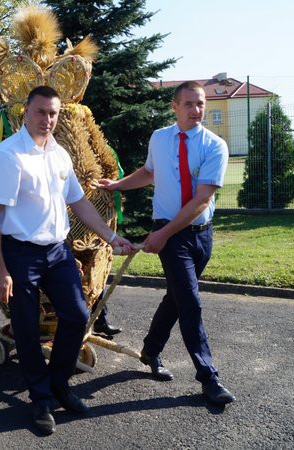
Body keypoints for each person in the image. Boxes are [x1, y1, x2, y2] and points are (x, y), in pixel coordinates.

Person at [0, 86, 135, 435]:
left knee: (78, 315)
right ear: (26, 113)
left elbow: (79, 203)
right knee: (26, 326)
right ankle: (40, 399)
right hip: (19, 253)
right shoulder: (8, 156)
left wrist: (111, 237)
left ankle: (60, 385)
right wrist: (1, 270)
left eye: (53, 113)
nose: (47, 120)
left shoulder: (59, 154)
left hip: (56, 250)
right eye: (40, 112)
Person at [98, 81, 233, 405]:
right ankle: (208, 378)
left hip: (200, 235)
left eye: (200, 104)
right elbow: (148, 172)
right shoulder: (160, 139)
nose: (196, 110)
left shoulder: (215, 145)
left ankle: (150, 350)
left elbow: (202, 200)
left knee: (176, 298)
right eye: (189, 104)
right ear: (175, 106)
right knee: (190, 302)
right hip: (171, 235)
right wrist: (117, 185)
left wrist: (163, 234)